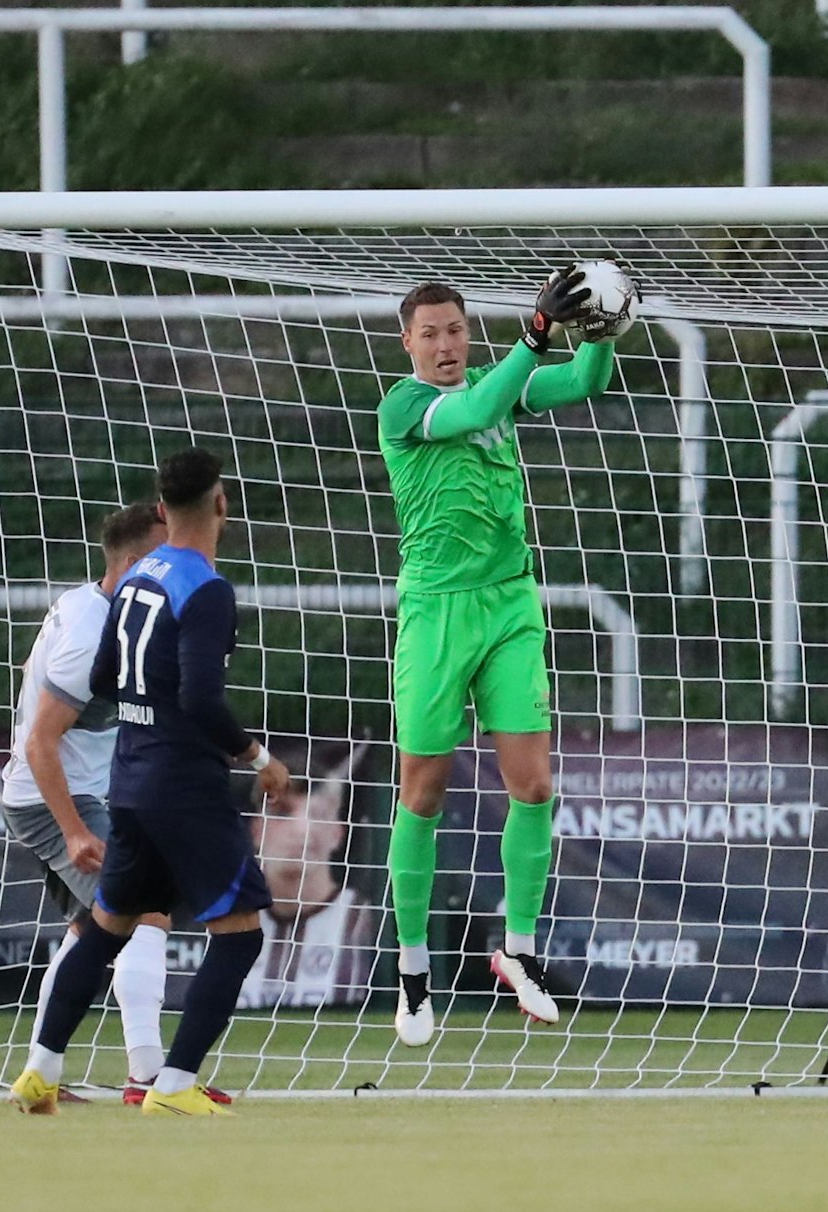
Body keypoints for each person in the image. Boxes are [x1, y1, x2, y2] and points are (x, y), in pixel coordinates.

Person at [8, 447, 289, 1117]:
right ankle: (171, 1083)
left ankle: (40, 1073)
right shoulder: (206, 587)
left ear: (163, 509)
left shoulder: (135, 580)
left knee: (107, 925)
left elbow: (104, 678)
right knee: (242, 933)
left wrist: (145, 708)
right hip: (182, 787)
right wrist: (256, 757)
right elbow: (199, 698)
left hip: (128, 781)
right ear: (221, 505)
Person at [376, 272, 618, 1046]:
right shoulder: (406, 407)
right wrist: (537, 328)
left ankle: (518, 951)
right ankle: (414, 971)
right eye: (431, 333)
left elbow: (581, 380)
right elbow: (479, 410)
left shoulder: (496, 379)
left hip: (510, 604)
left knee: (536, 783)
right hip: (437, 615)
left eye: (455, 330)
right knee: (423, 791)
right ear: (407, 342)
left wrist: (604, 330)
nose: (446, 344)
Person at [0, 501, 191, 1105]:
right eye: (162, 559)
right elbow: (40, 740)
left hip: (81, 792)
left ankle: (41, 1077)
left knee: (95, 931)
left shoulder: (107, 611)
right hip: (56, 798)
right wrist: (74, 830)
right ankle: (147, 1076)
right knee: (148, 910)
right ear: (132, 564)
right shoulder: (90, 632)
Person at [239, 743, 378, 1011]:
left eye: (317, 815)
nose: (302, 830)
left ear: (338, 833)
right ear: (256, 830)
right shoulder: (226, 922)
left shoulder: (368, 922)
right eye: (282, 814)